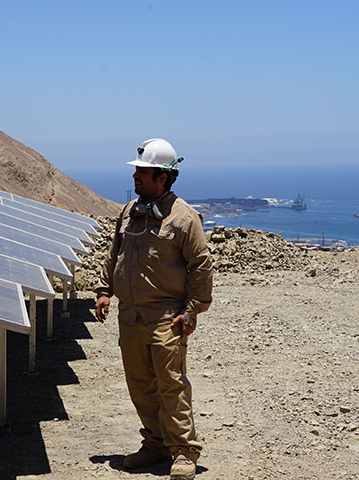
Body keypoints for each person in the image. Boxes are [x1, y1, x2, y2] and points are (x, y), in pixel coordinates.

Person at [93, 138, 213, 480]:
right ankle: (156, 443)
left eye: (143, 173)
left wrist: (191, 310)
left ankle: (185, 451)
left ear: (163, 176)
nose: (136, 178)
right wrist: (104, 290)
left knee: (170, 384)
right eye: (136, 172)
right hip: (130, 317)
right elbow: (113, 254)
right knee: (140, 385)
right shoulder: (129, 211)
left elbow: (201, 267)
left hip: (165, 318)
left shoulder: (184, 218)